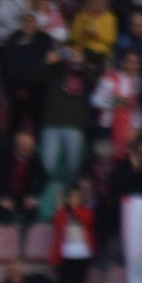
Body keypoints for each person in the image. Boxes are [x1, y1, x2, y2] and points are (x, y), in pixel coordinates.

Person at [38, 47, 92, 187]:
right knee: (46, 165)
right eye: (65, 52)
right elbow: (36, 81)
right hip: (51, 123)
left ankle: (71, 200)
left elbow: (94, 82)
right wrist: (47, 62)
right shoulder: (54, 70)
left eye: (72, 52)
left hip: (74, 124)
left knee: (73, 168)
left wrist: (81, 63)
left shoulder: (83, 72)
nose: (68, 55)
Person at [0, 133, 48, 227]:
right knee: (3, 214)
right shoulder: (3, 158)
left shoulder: (34, 159)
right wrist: (3, 199)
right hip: (1, 197)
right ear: (18, 147)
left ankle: (25, 238)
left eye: (31, 146)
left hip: (21, 197)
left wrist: (32, 196)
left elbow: (43, 177)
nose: (29, 149)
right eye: (26, 146)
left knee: (32, 213)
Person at [49, 187, 95, 283]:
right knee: (64, 279)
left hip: (81, 252)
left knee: (79, 280)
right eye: (72, 197)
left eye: (77, 197)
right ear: (68, 199)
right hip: (65, 252)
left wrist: (73, 211)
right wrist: (59, 210)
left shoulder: (86, 211)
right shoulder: (63, 212)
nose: (74, 199)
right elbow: (57, 226)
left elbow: (87, 222)